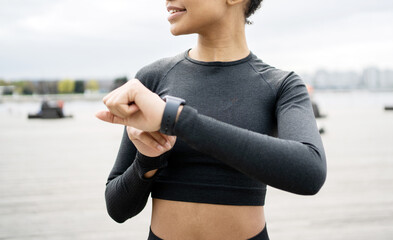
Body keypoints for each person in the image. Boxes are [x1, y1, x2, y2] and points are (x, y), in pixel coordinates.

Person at [95, 0, 327, 239]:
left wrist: (174, 118)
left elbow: (309, 172)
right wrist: (147, 160)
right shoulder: (152, 79)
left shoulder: (281, 86)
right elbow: (117, 208)